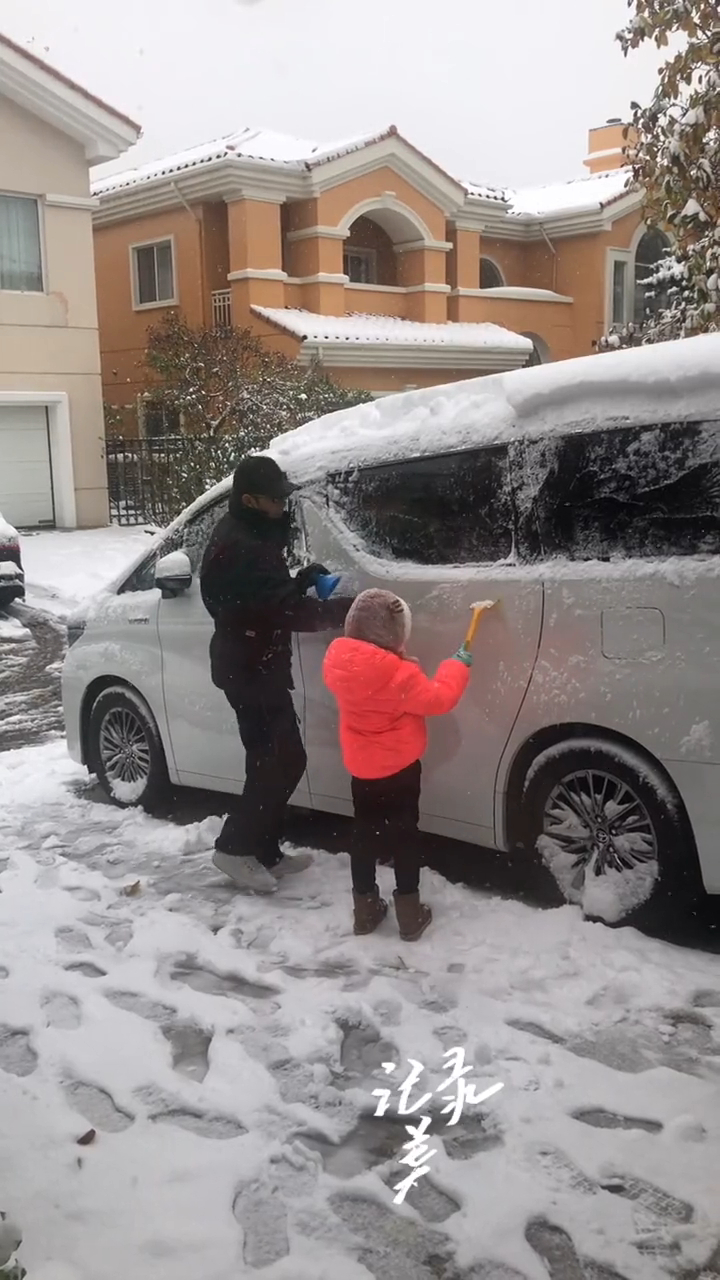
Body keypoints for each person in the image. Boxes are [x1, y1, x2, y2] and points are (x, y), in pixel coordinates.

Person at [200, 454, 352, 894]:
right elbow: (278, 610)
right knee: (282, 761)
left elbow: (262, 596)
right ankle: (234, 848)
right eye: (274, 500)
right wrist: (346, 611)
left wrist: (301, 578)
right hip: (251, 667)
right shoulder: (244, 545)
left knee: (270, 760)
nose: (282, 507)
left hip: (248, 662)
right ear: (250, 499)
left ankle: (262, 850)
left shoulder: (246, 533)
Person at [322, 588, 472, 941]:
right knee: (405, 834)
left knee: (364, 834)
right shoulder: (399, 676)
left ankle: (365, 909)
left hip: (362, 768)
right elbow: (440, 698)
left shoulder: (341, 666)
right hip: (401, 769)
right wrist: (457, 665)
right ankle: (409, 913)